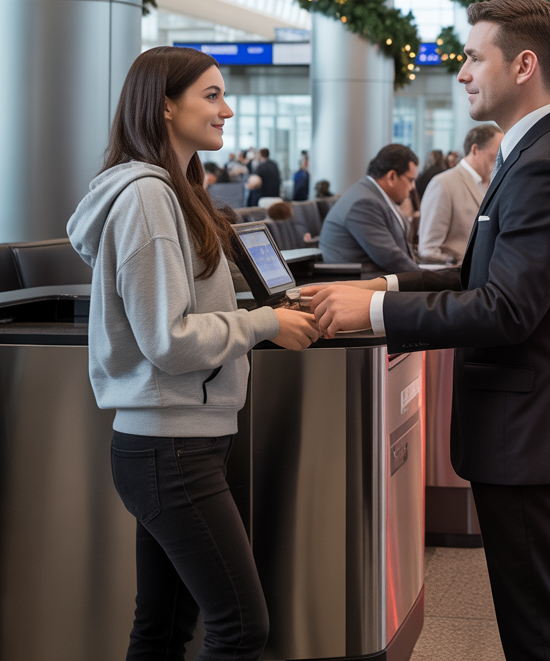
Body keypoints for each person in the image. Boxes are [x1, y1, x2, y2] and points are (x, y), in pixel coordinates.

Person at [306, 0, 550, 661]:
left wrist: (377, 316)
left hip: (529, 431)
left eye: (476, 56)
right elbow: (479, 277)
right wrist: (379, 287)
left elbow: (504, 309)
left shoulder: (545, 166)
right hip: (549, 424)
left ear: (524, 64)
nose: (464, 72)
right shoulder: (549, 151)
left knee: (543, 630)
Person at [66, 46, 318, 661]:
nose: (226, 109)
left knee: (163, 629)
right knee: (238, 627)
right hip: (168, 447)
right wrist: (264, 323)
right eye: (211, 95)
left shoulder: (177, 192)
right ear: (165, 104)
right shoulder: (148, 198)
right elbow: (168, 339)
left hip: (180, 440)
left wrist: (270, 309)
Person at [319, 144, 420, 277]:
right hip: (358, 286)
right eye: (411, 180)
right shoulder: (364, 202)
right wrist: (429, 279)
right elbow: (391, 257)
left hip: (374, 280)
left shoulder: (372, 195)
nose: (413, 187)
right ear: (392, 177)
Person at [418, 125, 502, 264]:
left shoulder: (491, 184)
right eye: (497, 152)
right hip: (457, 278)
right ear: (475, 150)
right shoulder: (443, 183)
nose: (501, 157)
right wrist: (461, 264)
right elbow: (428, 249)